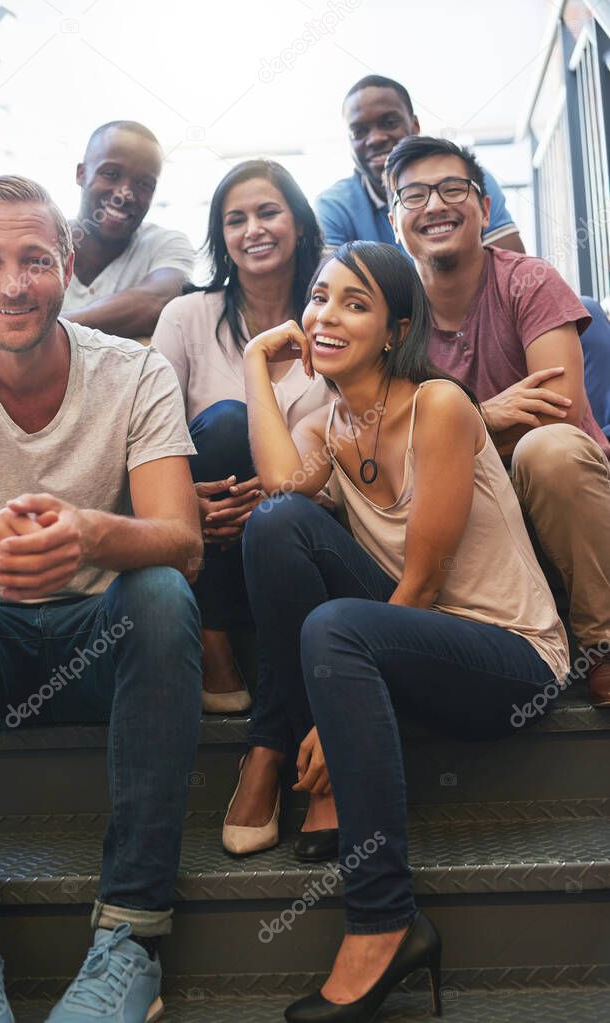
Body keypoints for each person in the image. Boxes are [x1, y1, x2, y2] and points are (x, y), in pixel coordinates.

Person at [237, 240, 569, 1022]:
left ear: (394, 331)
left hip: (506, 656)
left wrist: (327, 710)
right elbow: (282, 488)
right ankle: (322, 752)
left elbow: (419, 581)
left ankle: (384, 918)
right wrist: (256, 363)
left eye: (355, 303)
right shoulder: (325, 420)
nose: (324, 315)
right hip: (405, 642)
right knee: (274, 524)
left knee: (336, 627)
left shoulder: (439, 405)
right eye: (318, 297)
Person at [0, 175, 202, 1023]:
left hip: (99, 643)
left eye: (36, 260)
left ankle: (132, 938)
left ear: (68, 264)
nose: (14, 283)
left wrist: (90, 533)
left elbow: (182, 540)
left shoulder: (135, 370)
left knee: (159, 593)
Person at [383, 134, 610, 705]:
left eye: (452, 189)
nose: (434, 205)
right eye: (414, 196)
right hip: (461, 509)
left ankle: (602, 645)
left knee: (550, 449)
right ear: (395, 221)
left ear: (485, 209)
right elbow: (392, 448)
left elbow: (557, 414)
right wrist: (487, 415)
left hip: (554, 496)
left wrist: (451, 432)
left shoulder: (527, 281)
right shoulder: (391, 316)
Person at [153, 159, 330, 715]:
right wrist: (182, 503)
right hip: (209, 527)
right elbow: (146, 429)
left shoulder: (337, 316)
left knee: (279, 513)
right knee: (229, 421)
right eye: (236, 219)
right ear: (221, 237)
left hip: (307, 521)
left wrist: (285, 497)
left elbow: (367, 433)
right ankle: (214, 642)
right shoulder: (185, 316)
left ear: (299, 224)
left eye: (268, 212)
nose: (252, 229)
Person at [0, 121, 195, 346]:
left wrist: (33, 329)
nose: (125, 193)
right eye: (111, 174)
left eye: (143, 184)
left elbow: (158, 302)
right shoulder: (31, 239)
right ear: (81, 173)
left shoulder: (165, 244)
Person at [316, 75, 524, 253]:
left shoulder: (468, 181)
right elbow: (332, 293)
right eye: (358, 132)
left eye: (389, 123)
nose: (376, 138)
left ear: (415, 125)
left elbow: (512, 278)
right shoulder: (335, 205)